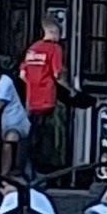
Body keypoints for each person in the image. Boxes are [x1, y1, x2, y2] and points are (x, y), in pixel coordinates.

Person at [18, 12, 69, 171]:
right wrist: (71, 90)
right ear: (54, 32)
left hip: (31, 99)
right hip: (48, 99)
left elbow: (22, 74)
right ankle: (44, 171)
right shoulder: (55, 49)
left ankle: (26, 169)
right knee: (47, 139)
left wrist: (33, 85)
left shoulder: (32, 49)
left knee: (31, 135)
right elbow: (57, 75)